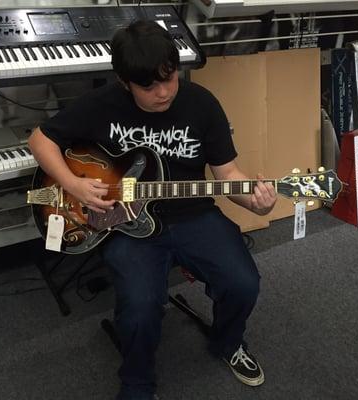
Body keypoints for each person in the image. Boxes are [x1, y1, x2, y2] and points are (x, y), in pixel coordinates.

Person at [28, 19, 277, 400]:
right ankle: (137, 382)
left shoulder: (202, 104)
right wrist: (74, 184)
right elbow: (40, 140)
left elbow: (228, 173)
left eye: (170, 77)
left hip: (193, 213)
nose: (164, 92)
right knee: (140, 307)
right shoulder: (101, 104)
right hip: (125, 224)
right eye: (149, 86)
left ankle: (228, 343)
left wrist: (259, 203)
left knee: (243, 283)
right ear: (125, 81)